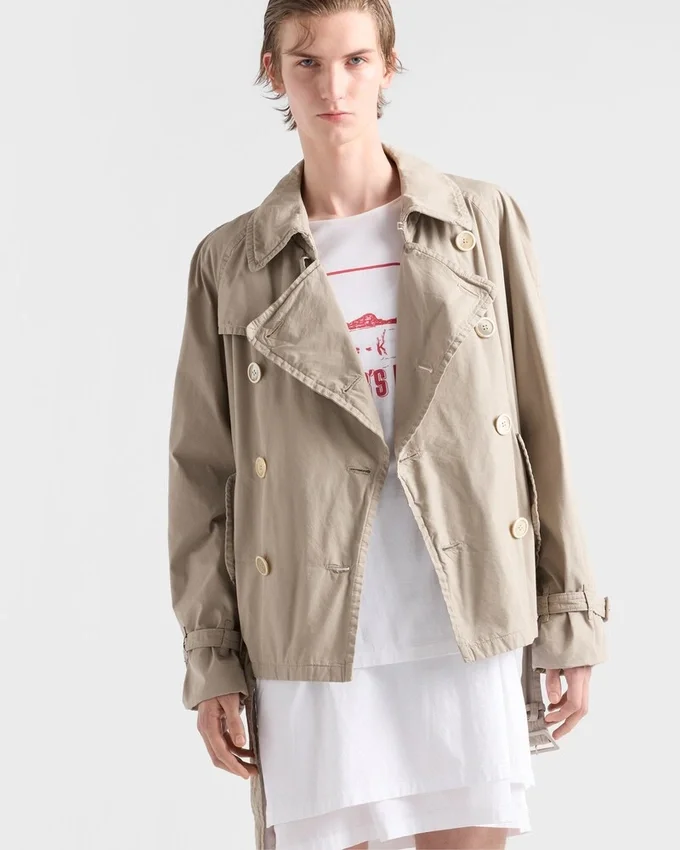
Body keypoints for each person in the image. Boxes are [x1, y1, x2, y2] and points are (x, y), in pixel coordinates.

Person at [167, 2, 610, 849]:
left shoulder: (480, 222)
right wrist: (212, 655)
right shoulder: (232, 261)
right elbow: (202, 472)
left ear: (388, 66)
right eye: (306, 63)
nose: (333, 87)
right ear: (272, 71)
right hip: (308, 625)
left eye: (355, 61)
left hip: (466, 608)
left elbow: (540, 427)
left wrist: (569, 612)